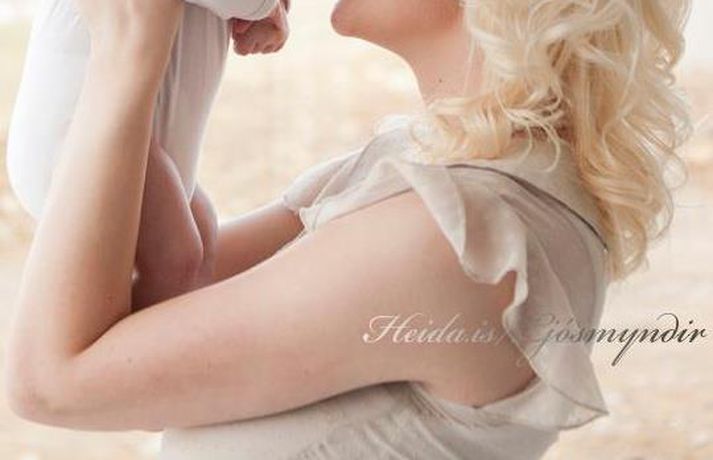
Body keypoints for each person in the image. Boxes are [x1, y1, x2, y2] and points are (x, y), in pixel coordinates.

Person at [4, 0, 691, 459]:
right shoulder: (429, 164)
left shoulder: (454, 234)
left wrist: (128, 52)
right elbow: (162, 306)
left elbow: (54, 382)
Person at [6, 0, 291, 308]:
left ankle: (168, 336)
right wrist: (264, 8)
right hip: (82, 119)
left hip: (142, 129)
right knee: (176, 257)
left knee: (200, 236)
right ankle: (104, 339)